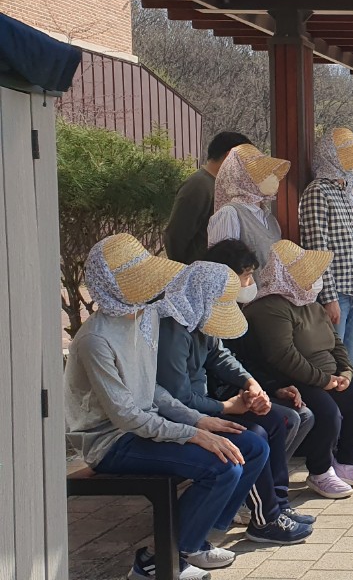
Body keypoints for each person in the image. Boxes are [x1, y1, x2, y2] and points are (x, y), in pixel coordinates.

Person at [66, 234, 266, 579]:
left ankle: (192, 540)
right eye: (135, 279)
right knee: (222, 466)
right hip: (112, 443)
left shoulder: (141, 317)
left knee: (252, 445)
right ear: (109, 285)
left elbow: (152, 390)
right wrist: (193, 433)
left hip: (146, 425)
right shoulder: (94, 340)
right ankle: (157, 559)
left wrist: (199, 421)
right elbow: (126, 416)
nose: (146, 287)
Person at [155, 261, 313, 544]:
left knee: (278, 419)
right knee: (253, 436)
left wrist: (252, 385)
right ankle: (263, 519)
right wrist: (228, 407)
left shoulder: (198, 315)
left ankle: (275, 506)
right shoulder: (173, 330)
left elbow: (219, 356)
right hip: (182, 416)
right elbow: (178, 399)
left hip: (204, 405)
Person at [230, 239, 353, 499]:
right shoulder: (270, 307)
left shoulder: (310, 303)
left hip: (328, 375)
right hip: (294, 379)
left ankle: (347, 462)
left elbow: (336, 343)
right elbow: (283, 355)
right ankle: (320, 471)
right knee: (327, 411)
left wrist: (346, 373)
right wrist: (323, 380)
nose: (314, 280)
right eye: (308, 274)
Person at [203, 239, 314, 461]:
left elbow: (246, 361)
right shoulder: (206, 316)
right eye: (246, 275)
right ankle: (265, 484)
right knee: (285, 420)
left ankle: (270, 478)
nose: (251, 282)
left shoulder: (237, 310)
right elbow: (215, 365)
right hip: (219, 398)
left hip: (245, 391)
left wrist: (273, 388)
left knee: (305, 415)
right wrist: (238, 397)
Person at [300, 127, 353, 360]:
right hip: (336, 294)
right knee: (334, 362)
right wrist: (329, 298)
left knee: (348, 363)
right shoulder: (318, 191)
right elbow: (317, 248)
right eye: (347, 155)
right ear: (330, 155)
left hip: (352, 293)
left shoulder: (343, 191)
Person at [164, 132, 252, 263]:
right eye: (246, 159)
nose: (247, 166)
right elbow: (176, 235)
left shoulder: (220, 185)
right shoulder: (199, 184)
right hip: (200, 273)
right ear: (230, 156)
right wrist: (185, 269)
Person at [207, 144, 290, 269]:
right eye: (264, 174)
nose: (274, 177)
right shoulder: (229, 214)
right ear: (243, 177)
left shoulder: (269, 218)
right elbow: (222, 268)